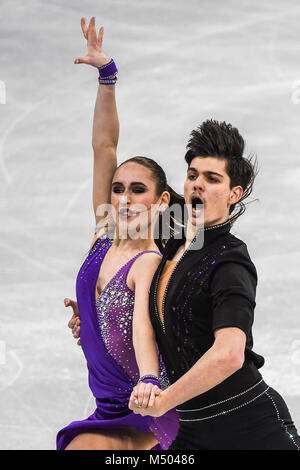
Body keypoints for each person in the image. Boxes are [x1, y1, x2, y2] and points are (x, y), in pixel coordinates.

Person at [129, 120, 300, 450]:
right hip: (196, 430)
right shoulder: (174, 246)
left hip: (253, 428)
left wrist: (164, 401)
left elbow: (230, 355)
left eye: (212, 178)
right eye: (193, 175)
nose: (197, 185)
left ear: (234, 193)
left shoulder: (230, 260)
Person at [56, 17, 179, 451]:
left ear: (162, 202)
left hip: (144, 408)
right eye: (118, 188)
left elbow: (144, 328)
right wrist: (107, 77)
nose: (124, 197)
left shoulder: (148, 261)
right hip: (108, 404)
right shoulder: (104, 234)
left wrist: (148, 379)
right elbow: (104, 147)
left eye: (139, 190)